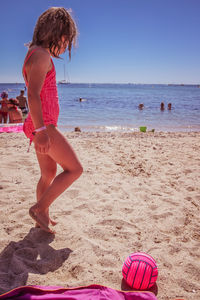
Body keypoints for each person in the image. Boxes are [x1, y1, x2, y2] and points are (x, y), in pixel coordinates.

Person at [22, 7, 83, 233]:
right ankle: (40, 209)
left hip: (40, 125)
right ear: (55, 32)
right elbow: (32, 94)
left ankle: (43, 216)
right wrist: (41, 131)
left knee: (48, 174)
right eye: (66, 40)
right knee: (74, 170)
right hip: (43, 125)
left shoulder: (36, 52)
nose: (66, 45)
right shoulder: (41, 55)